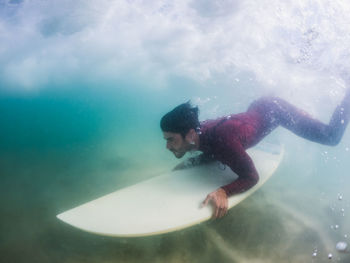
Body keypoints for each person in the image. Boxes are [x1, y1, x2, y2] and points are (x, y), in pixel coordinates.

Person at [160, 90, 350, 219]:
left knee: (330, 137)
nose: (167, 147)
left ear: (191, 134)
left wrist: (224, 191)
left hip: (276, 111)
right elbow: (211, 150)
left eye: (171, 140)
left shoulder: (223, 141)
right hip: (259, 108)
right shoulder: (199, 135)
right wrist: (192, 163)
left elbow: (251, 177)